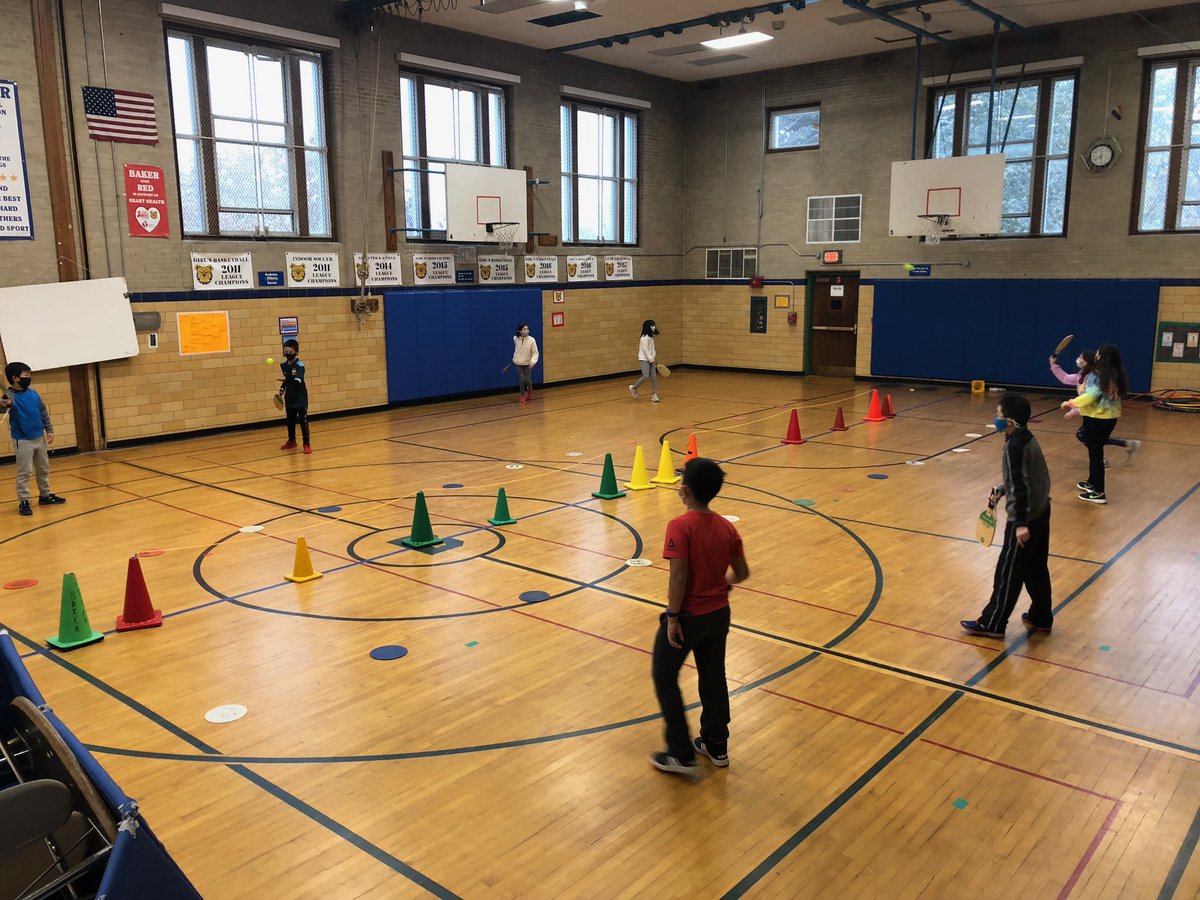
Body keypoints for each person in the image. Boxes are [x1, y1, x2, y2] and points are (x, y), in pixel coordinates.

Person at [651, 457, 750, 777]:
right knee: (713, 676)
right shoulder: (727, 527)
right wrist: (722, 584)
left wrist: (674, 617)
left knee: (664, 678)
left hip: (688, 617)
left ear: (686, 490)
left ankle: (680, 752)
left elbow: (678, 577)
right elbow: (742, 573)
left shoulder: (680, 527)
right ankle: (715, 744)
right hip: (719, 614)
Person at [961, 393, 1052, 639]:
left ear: (1010, 420)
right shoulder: (1027, 439)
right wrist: (1002, 489)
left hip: (1024, 519)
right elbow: (1026, 478)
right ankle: (1041, 616)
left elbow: (1021, 488)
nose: (996, 419)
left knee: (1008, 572)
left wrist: (1020, 524)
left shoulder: (1013, 446)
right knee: (1035, 568)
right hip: (1042, 511)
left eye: (999, 416)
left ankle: (993, 623)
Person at [1049, 349, 1140, 465]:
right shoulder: (1080, 375)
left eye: (1080, 357)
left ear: (1086, 361)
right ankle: (1126, 444)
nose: (1078, 359)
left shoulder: (1094, 377)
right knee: (1092, 438)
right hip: (1091, 414)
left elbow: (1091, 399)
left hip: (1099, 415)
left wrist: (1073, 410)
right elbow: (1065, 378)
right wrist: (1053, 365)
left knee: (1087, 437)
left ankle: (1101, 460)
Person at [1062, 343, 1127, 504]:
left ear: (1102, 357)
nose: (1096, 356)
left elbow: (1091, 395)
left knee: (1096, 454)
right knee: (1095, 451)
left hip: (1096, 418)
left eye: (1098, 354)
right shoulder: (1115, 373)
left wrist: (1071, 403)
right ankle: (1092, 482)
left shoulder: (1097, 374)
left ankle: (1099, 492)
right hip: (1110, 418)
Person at [2, 362, 67, 517]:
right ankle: (23, 501)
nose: (29, 377)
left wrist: (49, 429)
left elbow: (43, 412)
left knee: (43, 467)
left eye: (30, 375)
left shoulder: (33, 393)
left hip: (39, 437)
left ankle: (45, 495)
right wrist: (3, 404)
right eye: (26, 375)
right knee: (25, 471)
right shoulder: (10, 395)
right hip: (23, 440)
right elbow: (2, 407)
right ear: (15, 378)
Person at [278, 339, 311, 454]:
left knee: (303, 420)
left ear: (296, 352)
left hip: (300, 397)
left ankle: (306, 444)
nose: (287, 354)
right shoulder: (283, 365)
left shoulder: (300, 365)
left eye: (290, 352)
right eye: (286, 351)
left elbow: (297, 381)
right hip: (289, 397)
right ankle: (292, 441)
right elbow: (287, 381)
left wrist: (287, 380)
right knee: (290, 420)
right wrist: (282, 388)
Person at [629, 320, 661, 402]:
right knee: (646, 375)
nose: (654, 327)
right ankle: (633, 387)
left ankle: (654, 394)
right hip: (644, 359)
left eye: (654, 325)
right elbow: (645, 350)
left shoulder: (651, 337)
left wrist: (653, 358)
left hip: (651, 359)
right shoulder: (644, 338)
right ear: (648, 327)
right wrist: (650, 359)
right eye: (652, 325)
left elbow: (652, 349)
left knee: (653, 377)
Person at [512, 323, 539, 403]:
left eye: (527, 329)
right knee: (522, 379)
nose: (527, 330)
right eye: (524, 329)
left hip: (528, 363)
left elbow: (535, 353)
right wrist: (516, 358)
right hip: (518, 363)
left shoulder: (532, 340)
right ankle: (522, 395)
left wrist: (532, 362)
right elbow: (517, 349)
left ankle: (530, 391)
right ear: (520, 331)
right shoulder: (515, 338)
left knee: (527, 379)